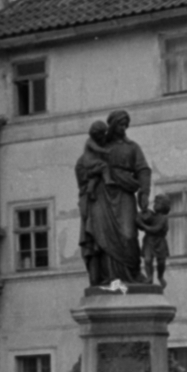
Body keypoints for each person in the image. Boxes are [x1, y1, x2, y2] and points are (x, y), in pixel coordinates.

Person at [80, 109, 150, 285]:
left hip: (125, 193)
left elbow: (143, 169)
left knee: (128, 234)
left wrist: (145, 191)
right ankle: (109, 276)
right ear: (111, 125)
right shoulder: (100, 145)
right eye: (120, 124)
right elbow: (83, 165)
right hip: (102, 195)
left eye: (126, 125)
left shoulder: (132, 147)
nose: (123, 128)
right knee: (102, 236)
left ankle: (133, 273)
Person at [74, 121, 110, 287]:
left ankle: (109, 276)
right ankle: (96, 279)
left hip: (106, 206)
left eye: (104, 136)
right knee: (92, 241)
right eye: (100, 136)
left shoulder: (104, 158)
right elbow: (82, 178)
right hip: (90, 204)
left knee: (104, 240)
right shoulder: (83, 160)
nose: (103, 139)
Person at [136, 193, 171, 288]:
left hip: (160, 241)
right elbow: (142, 221)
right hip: (149, 241)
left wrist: (142, 225)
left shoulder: (163, 218)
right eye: (155, 202)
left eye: (158, 203)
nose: (155, 204)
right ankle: (149, 277)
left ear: (164, 205)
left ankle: (160, 276)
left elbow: (155, 229)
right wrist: (142, 213)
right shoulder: (151, 215)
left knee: (161, 261)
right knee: (147, 260)